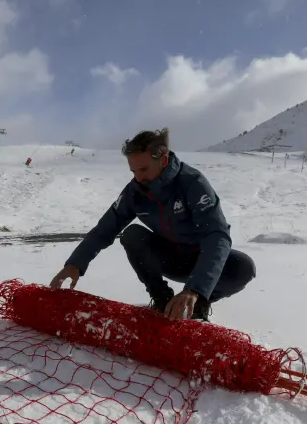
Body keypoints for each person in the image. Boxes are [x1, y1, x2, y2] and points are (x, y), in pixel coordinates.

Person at [50, 128, 256, 321]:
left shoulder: (193, 183)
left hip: (200, 260)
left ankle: (198, 305)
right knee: (132, 234)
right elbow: (105, 229)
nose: (138, 178)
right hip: (169, 259)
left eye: (144, 169)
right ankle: (161, 300)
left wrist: (196, 290)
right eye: (133, 171)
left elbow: (217, 236)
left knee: (243, 267)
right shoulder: (135, 191)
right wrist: (74, 264)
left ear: (164, 160)